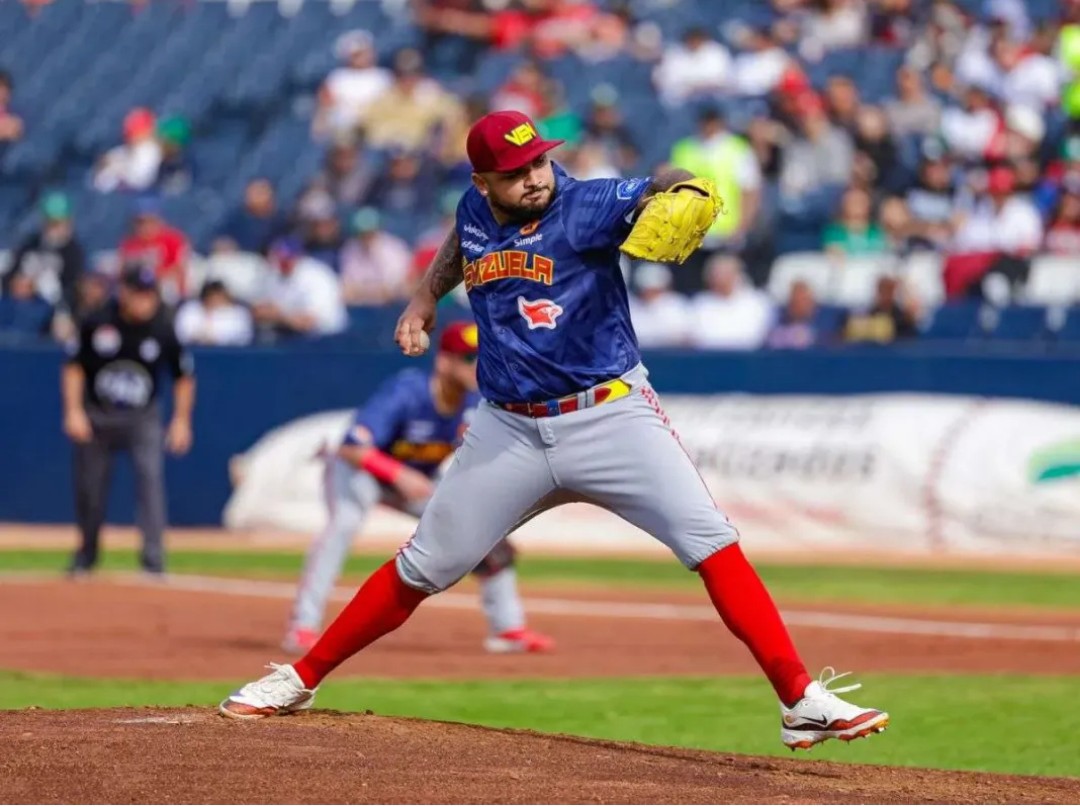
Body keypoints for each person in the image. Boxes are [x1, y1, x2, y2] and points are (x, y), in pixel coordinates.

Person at [220, 109, 888, 751]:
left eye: (538, 161)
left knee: (712, 542)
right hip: (509, 430)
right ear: (482, 182)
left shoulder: (587, 204)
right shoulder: (475, 208)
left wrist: (683, 184)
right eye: (515, 172)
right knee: (424, 567)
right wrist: (424, 297)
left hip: (611, 415)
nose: (534, 177)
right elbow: (461, 241)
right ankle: (300, 678)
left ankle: (799, 699)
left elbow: (654, 184)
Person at [283, 321, 554, 656]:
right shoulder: (408, 391)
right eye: (468, 358)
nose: (477, 366)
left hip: (413, 479)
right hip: (359, 472)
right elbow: (352, 447)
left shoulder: (479, 402)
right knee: (343, 525)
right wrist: (398, 473)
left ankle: (508, 628)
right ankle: (302, 626)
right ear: (443, 361)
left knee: (487, 535)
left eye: (482, 357)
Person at [62, 265, 195, 577]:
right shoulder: (98, 321)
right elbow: (74, 367)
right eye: (139, 294)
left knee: (150, 482)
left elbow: (184, 376)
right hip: (98, 415)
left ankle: (153, 559)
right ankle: (86, 555)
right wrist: (73, 411)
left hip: (142, 417)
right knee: (90, 489)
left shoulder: (163, 327)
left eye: (150, 295)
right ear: (124, 293)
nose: (145, 302)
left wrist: (181, 421)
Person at [3, 192, 86, 341]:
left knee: (62, 325)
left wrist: (35, 286)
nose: (52, 227)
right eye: (50, 221)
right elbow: (11, 273)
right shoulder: (31, 244)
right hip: (16, 303)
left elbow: (71, 287)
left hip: (51, 308)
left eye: (57, 222)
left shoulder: (73, 252)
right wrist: (16, 282)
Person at [253, 237, 346, 339]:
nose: (283, 261)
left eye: (288, 257)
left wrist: (278, 315)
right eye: (279, 257)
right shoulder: (273, 273)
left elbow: (308, 323)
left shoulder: (316, 276)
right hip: (291, 335)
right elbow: (258, 311)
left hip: (328, 338)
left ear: (299, 256)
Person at [175, 280, 253, 346]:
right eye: (211, 296)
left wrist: (216, 338)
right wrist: (199, 337)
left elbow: (243, 336)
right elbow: (181, 334)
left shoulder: (239, 313)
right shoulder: (189, 309)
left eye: (218, 297)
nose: (214, 300)